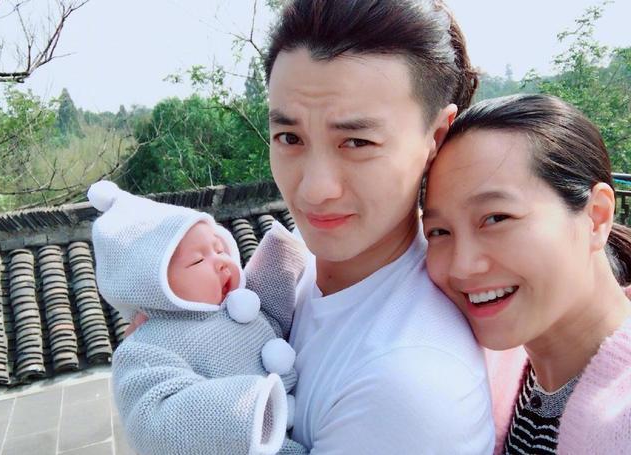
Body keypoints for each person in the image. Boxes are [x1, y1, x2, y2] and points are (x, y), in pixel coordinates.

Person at [125, 0, 495, 452]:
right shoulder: (294, 264)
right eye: (290, 138)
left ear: (435, 137)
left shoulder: (409, 385)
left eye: (357, 142)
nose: (315, 190)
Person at [422, 94, 631, 454]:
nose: (462, 266)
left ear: (596, 216)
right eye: (439, 231)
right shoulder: (473, 372)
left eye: (496, 218)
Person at [88, 181, 309, 454]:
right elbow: (152, 421)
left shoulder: (238, 305)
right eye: (197, 260)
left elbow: (271, 315)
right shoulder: (145, 347)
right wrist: (248, 405)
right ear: (152, 286)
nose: (221, 261)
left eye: (220, 249)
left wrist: (282, 254)